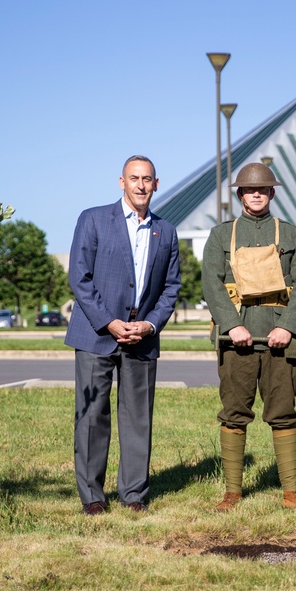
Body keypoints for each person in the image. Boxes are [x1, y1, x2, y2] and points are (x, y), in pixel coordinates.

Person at [64, 155, 181, 515]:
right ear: (121, 182)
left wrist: (150, 324)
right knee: (92, 415)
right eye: (134, 178)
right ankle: (92, 496)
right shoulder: (94, 219)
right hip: (97, 334)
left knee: (137, 418)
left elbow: (171, 287)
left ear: (156, 184)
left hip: (142, 336)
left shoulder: (167, 231)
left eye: (148, 179)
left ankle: (133, 494)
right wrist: (109, 322)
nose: (141, 185)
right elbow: (79, 278)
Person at [201, 162, 296, 511]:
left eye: (263, 190)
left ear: (272, 194)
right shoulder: (221, 235)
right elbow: (212, 283)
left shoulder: (292, 235)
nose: (257, 195)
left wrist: (287, 326)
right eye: (250, 190)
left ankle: (292, 492)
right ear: (240, 195)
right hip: (236, 338)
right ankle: (233, 492)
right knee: (234, 412)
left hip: (280, 336)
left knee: (283, 412)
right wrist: (232, 325)